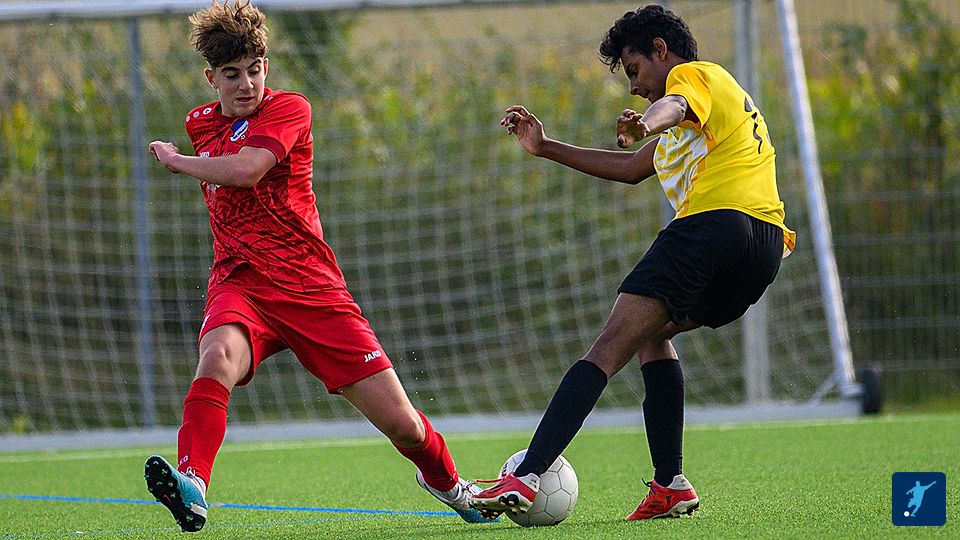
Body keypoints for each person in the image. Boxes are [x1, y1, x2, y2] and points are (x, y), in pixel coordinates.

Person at [143, 0, 493, 531]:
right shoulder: (200, 123)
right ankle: (192, 484)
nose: (246, 84)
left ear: (267, 66)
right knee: (216, 357)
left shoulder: (289, 109)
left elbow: (247, 169)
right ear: (211, 78)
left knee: (403, 426)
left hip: (310, 287)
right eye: (232, 74)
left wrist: (175, 161)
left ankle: (453, 487)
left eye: (254, 70)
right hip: (241, 281)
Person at [471, 4, 795, 521]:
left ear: (661, 50)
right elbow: (629, 168)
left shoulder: (695, 77)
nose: (634, 86)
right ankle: (670, 485)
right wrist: (546, 147)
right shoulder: (699, 121)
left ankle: (527, 477)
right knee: (651, 336)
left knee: (608, 347)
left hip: (713, 226)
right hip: (763, 248)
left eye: (635, 70)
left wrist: (647, 121)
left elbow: (673, 104)